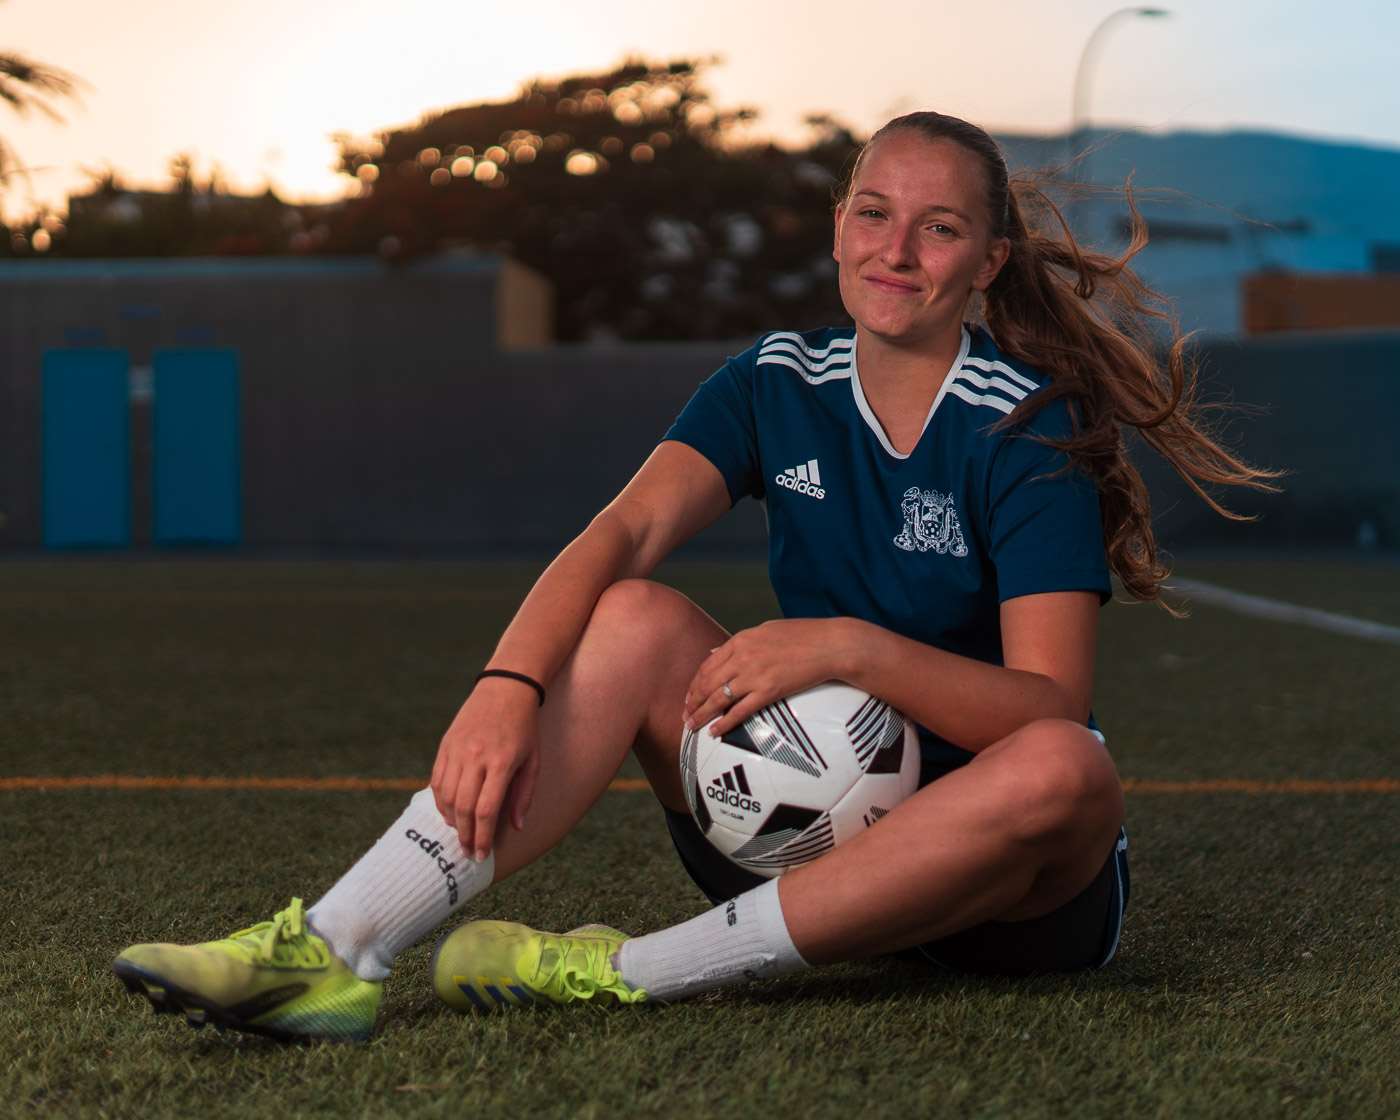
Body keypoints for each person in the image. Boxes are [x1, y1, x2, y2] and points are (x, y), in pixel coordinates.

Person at [112, 111, 1273, 1043]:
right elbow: (618, 532)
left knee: (1067, 768)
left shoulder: (1025, 423)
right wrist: (506, 682)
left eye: (937, 229)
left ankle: (625, 971)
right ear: (834, 228)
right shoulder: (774, 381)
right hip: (795, 824)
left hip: (1004, 892)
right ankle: (332, 951)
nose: (894, 251)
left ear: (987, 261)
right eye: (872, 214)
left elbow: (1047, 705)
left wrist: (845, 647)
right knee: (625, 618)